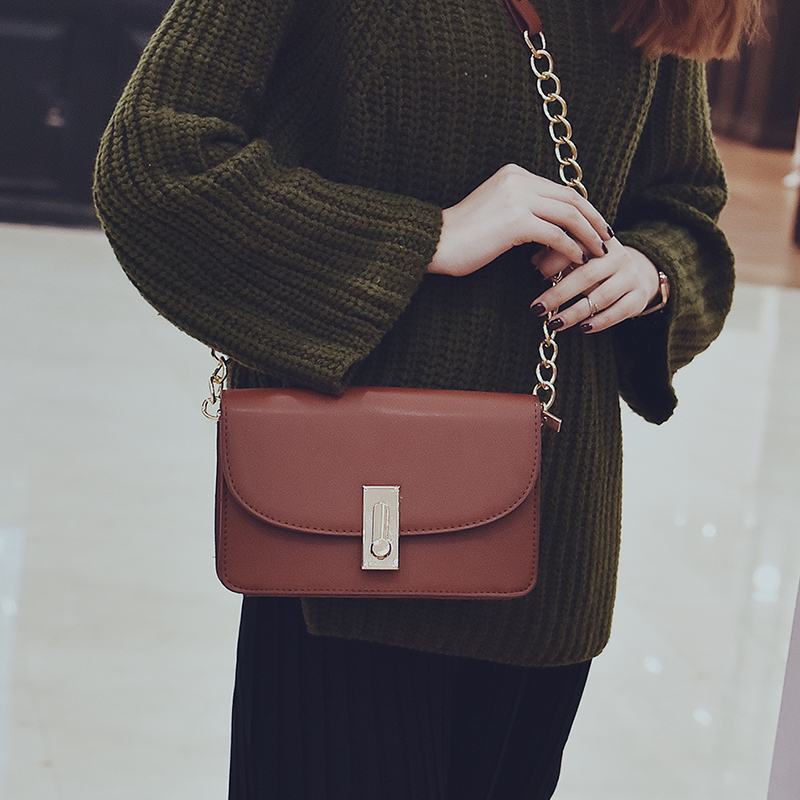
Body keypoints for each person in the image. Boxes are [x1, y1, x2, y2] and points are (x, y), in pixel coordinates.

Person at [93, 0, 762, 797]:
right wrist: (429, 237)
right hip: (346, 538)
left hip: (550, 551)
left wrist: (652, 272)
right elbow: (157, 165)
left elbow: (684, 204)